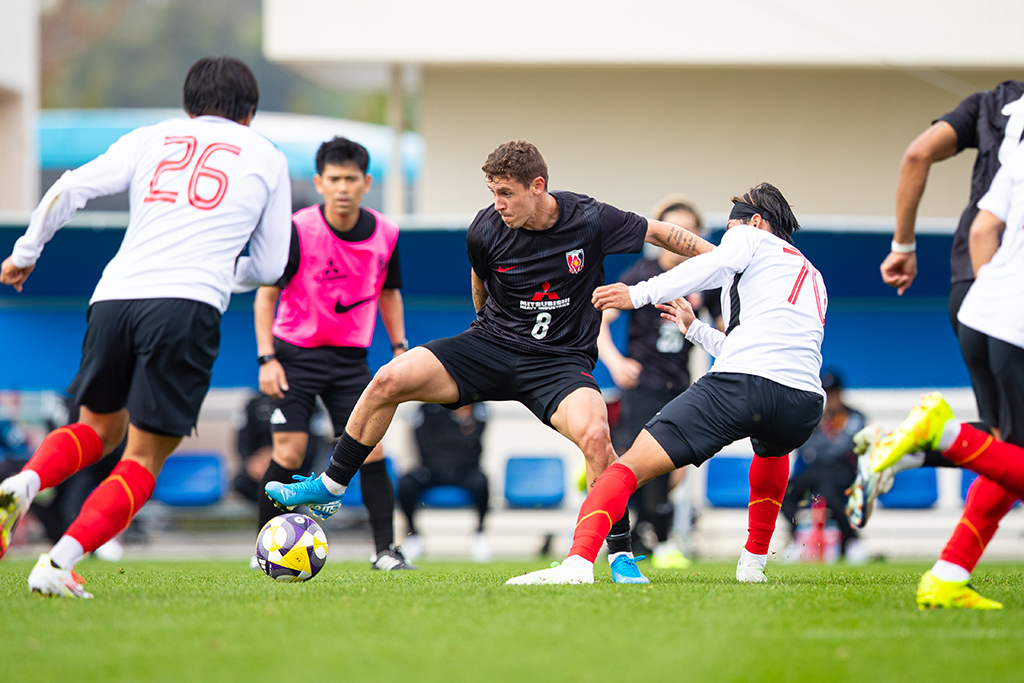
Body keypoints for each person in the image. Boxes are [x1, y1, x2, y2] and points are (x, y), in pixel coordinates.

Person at [267, 139, 715, 584]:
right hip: (492, 345)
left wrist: (726, 259)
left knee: (597, 436)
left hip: (558, 364)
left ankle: (619, 553)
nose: (497, 204)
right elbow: (479, 282)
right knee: (389, 378)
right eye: (492, 192)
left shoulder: (589, 217)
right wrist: (484, 327)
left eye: (506, 193)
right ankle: (331, 485)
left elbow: (660, 233)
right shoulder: (485, 229)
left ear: (537, 187)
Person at [0, 56, 291, 598]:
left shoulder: (152, 138)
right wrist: (227, 270)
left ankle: (24, 481)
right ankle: (58, 563)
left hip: (113, 296)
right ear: (249, 113)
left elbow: (69, 188)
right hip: (186, 304)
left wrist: (24, 253)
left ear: (188, 106)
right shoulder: (266, 156)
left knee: (95, 429)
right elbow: (272, 266)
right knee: (141, 458)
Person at [506, 182, 827, 586]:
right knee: (771, 450)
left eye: (728, 230)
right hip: (802, 403)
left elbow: (704, 272)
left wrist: (639, 294)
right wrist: (696, 331)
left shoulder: (749, 239)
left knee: (625, 469)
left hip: (741, 384)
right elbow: (755, 347)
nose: (723, 241)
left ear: (756, 222)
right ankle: (753, 564)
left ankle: (577, 563)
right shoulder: (811, 274)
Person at [849, 81, 1024, 528]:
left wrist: (903, 245)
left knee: (1006, 443)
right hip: (1010, 293)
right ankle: (924, 438)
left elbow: (917, 153)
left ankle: (900, 448)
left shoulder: (995, 102)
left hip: (972, 286)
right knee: (1012, 446)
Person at [868, 132, 1024, 609]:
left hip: (985, 307)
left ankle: (948, 574)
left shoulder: (1017, 133)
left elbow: (981, 232)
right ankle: (940, 431)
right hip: (1013, 320)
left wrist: (998, 302)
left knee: (1011, 450)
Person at [254, 136, 414, 571]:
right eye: (334, 179)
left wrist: (399, 348)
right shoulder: (296, 229)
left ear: (366, 182)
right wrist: (266, 358)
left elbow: (390, 293)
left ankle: (385, 551)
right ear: (319, 183)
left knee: (372, 450)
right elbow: (265, 297)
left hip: (350, 360)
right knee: (289, 451)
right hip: (294, 355)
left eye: (351, 179)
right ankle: (264, 547)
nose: (342, 187)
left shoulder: (386, 232)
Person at [597, 194, 721, 569]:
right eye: (674, 229)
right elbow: (601, 321)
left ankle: (649, 533)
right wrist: (616, 363)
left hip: (681, 385)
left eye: (689, 229)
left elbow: (725, 327)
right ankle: (653, 538)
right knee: (639, 464)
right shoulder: (641, 274)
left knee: (675, 466)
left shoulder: (706, 277)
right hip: (643, 386)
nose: (681, 236)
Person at [780, 371, 867, 562]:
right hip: (815, 470)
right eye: (826, 393)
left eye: (834, 393)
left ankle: (852, 541)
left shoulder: (854, 416)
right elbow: (806, 447)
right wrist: (825, 429)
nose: (831, 398)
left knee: (828, 494)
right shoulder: (813, 417)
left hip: (842, 472)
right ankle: (797, 537)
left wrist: (825, 442)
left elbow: (846, 447)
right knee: (784, 492)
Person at [398, 404, 490, 562]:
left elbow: (474, 442)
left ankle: (479, 534)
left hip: (465, 469)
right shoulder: (426, 408)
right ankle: (413, 535)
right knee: (406, 483)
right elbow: (424, 444)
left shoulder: (476, 407)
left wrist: (462, 421)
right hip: (431, 469)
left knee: (482, 482)